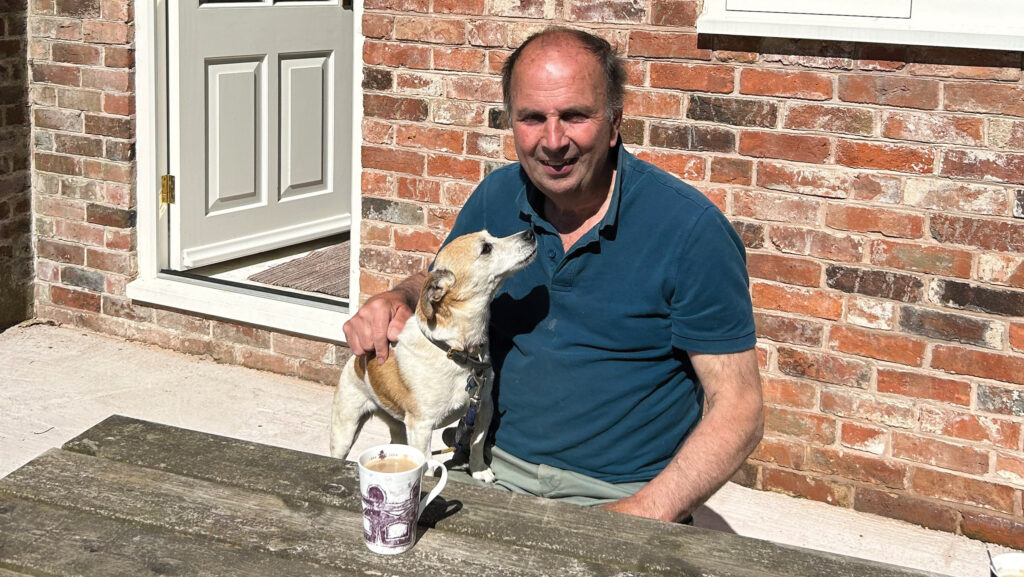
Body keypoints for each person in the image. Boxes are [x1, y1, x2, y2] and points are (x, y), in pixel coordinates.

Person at [343, 27, 763, 524]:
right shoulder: (496, 199)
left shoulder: (690, 231)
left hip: (617, 495)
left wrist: (642, 512)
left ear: (614, 123)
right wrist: (400, 295)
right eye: (533, 118)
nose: (553, 141)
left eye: (575, 116)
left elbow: (739, 408)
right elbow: (442, 279)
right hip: (485, 468)